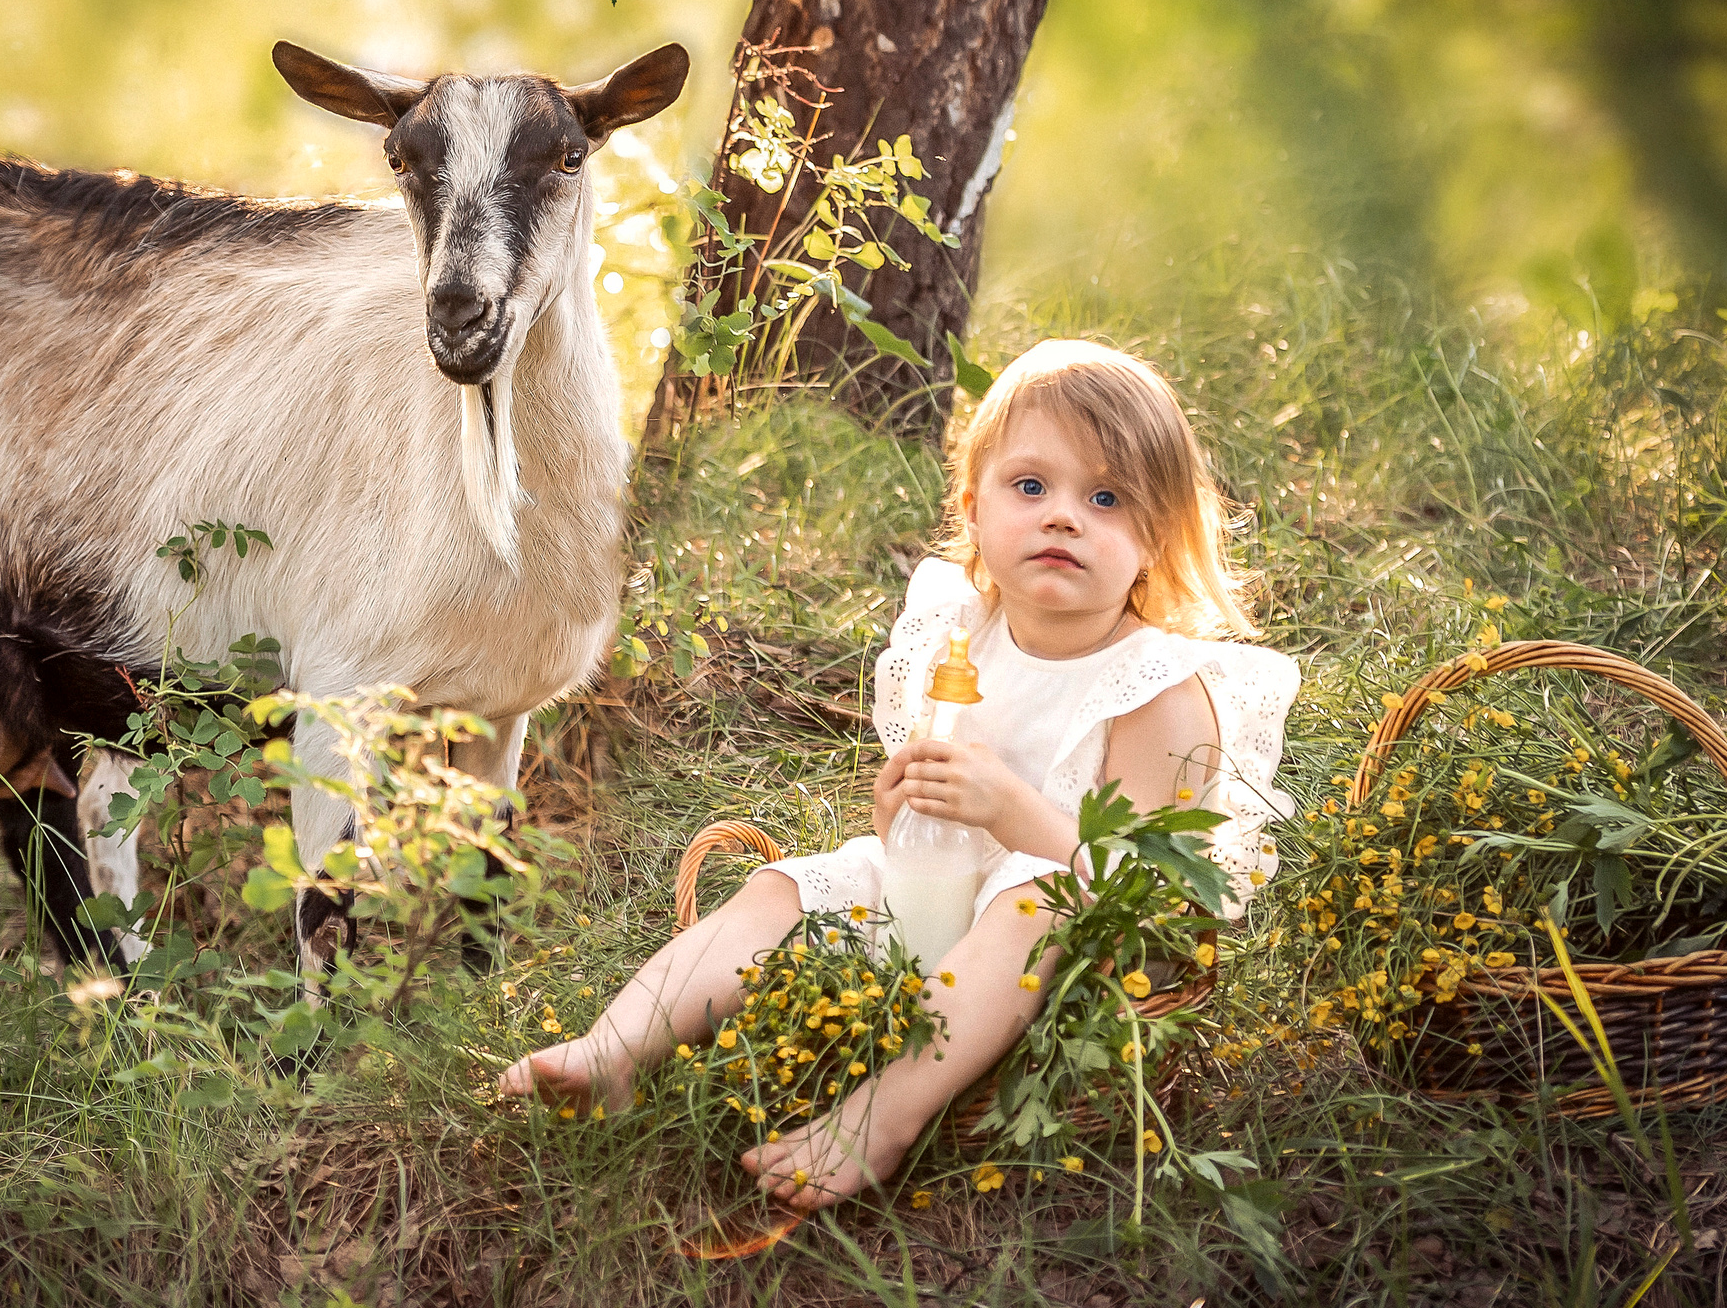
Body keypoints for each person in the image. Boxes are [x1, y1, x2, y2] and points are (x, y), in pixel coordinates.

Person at [499, 340, 1300, 1210]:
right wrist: (902, 813)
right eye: (1030, 487)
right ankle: (613, 1049)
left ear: (1156, 538)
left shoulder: (1155, 691)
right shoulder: (959, 630)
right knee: (782, 886)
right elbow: (929, 805)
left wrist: (1014, 812)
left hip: (1079, 942)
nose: (1063, 516)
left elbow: (1150, 890)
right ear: (974, 503)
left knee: (1037, 901)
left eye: (1106, 498)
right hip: (950, 902)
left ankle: (887, 1112)